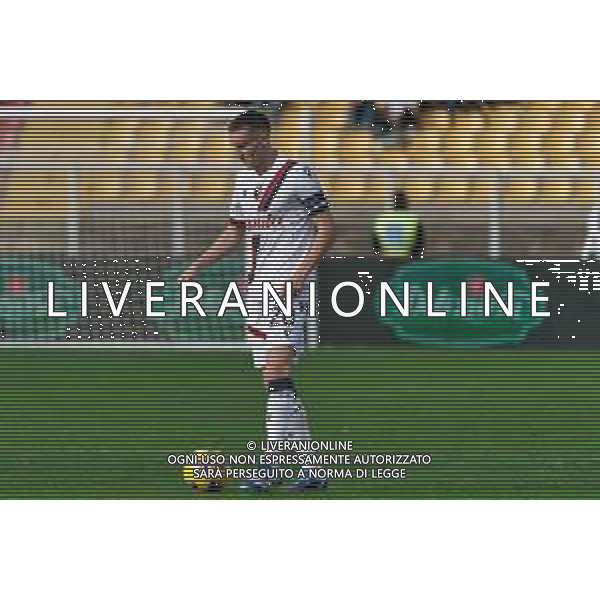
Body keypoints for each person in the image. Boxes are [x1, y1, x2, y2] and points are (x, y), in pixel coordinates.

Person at [179, 110, 335, 491]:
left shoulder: (297, 173)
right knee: (275, 379)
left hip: (286, 289)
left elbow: (328, 228)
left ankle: (268, 468)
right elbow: (234, 231)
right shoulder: (243, 178)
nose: (241, 153)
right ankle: (312, 468)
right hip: (255, 290)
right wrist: (197, 265)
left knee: (276, 374)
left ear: (266, 136)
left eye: (246, 145)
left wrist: (298, 275)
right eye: (235, 147)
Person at [373, 191, 425, 259]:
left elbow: (375, 245)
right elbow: (419, 244)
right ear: (406, 202)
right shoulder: (414, 219)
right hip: (406, 260)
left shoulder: (381, 220)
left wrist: (379, 256)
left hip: (386, 259)